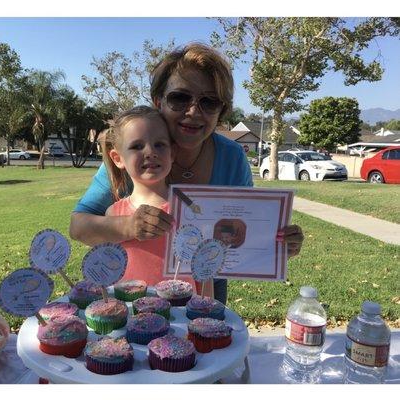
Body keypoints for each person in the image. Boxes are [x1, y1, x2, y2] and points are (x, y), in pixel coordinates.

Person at [70, 42, 304, 304]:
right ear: (159, 102)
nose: (193, 111)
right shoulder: (132, 153)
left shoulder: (231, 158)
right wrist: (129, 225)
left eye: (209, 102)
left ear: (221, 112)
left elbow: (243, 230)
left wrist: (276, 245)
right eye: (180, 98)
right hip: (134, 295)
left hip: (202, 294)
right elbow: (79, 226)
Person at [100, 105, 194, 287]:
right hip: (129, 310)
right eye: (137, 146)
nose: (150, 152)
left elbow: (205, 269)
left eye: (159, 144)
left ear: (172, 153)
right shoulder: (113, 214)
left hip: (181, 311)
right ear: (118, 158)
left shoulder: (190, 207)